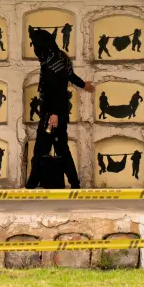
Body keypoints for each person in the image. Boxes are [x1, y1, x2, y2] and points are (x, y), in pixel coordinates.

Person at [25, 29, 94, 190]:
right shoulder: (60, 57)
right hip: (59, 111)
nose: (34, 49)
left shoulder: (49, 63)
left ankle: (31, 185)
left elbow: (55, 89)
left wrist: (53, 114)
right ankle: (75, 184)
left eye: (35, 45)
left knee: (41, 147)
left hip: (52, 112)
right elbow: (69, 76)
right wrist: (84, 84)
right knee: (61, 147)